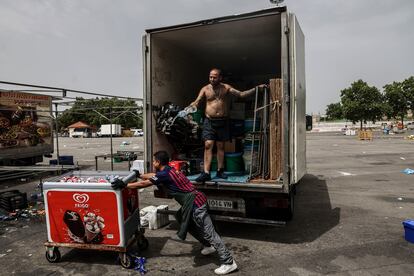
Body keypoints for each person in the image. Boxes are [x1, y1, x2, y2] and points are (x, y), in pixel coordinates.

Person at [111, 150, 238, 275]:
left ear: (158, 162)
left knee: (210, 233)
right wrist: (139, 174)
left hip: (196, 204)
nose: (153, 163)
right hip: (194, 201)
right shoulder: (168, 170)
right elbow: (152, 177)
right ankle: (208, 245)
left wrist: (124, 185)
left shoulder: (164, 174)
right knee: (182, 218)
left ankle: (228, 262)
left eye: (154, 161)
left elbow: (145, 183)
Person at [190, 68, 267, 182]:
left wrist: (256, 89)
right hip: (209, 121)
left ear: (220, 77)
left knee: (220, 146)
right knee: (208, 144)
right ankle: (206, 172)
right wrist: (191, 106)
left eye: (214, 77)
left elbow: (241, 95)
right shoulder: (205, 89)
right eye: (210, 76)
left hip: (223, 121)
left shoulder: (226, 88)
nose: (212, 79)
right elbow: (197, 101)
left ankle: (220, 170)